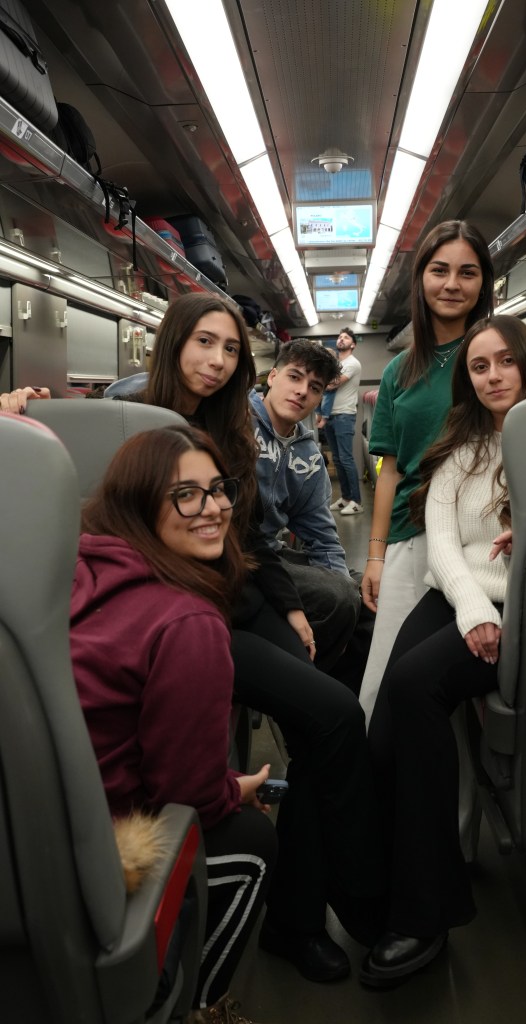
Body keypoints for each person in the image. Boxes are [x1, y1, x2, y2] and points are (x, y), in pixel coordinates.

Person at [3, 295, 386, 982]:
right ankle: (343, 900)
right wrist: (19, 410)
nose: (217, 361)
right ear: (174, 341)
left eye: (232, 349)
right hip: (168, 610)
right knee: (331, 715)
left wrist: (289, 606)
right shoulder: (121, 410)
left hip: (230, 595)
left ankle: (306, 909)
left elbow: (249, 534)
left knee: (329, 705)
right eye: (204, 342)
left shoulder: (235, 428)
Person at [360, 316, 526, 988]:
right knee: (382, 728)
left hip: (523, 610)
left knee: (415, 686)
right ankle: (390, 875)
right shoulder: (461, 447)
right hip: (460, 599)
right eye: (479, 366)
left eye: (505, 361)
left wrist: (524, 542)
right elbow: (441, 539)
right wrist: (471, 607)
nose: (493, 376)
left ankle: (427, 910)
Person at [70, 424, 277, 1020]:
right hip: (96, 857)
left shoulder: (72, 567)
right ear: (138, 504)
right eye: (185, 495)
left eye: (218, 489)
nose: (212, 509)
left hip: (36, 831)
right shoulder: (186, 623)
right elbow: (187, 796)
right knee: (254, 841)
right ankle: (193, 1002)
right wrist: (232, 790)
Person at [358, 220, 495, 721]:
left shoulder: (493, 358)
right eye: (440, 271)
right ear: (421, 279)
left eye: (467, 272)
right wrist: (376, 556)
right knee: (382, 690)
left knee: (450, 689)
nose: (452, 284)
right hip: (412, 534)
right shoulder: (400, 370)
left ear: (483, 283)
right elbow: (389, 470)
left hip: (482, 543)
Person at [250, 339, 361, 669]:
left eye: (314, 388)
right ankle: (308, 680)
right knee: (339, 596)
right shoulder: (235, 419)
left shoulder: (308, 456)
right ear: (273, 376)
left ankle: (323, 678)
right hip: (239, 557)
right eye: (294, 377)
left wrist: (347, 591)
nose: (302, 392)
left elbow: (322, 536)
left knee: (359, 593)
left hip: (271, 553)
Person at [324, 328, 364, 516]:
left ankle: (357, 502)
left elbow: (333, 384)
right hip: (331, 415)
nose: (341, 339)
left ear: (353, 344)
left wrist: (318, 382)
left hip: (344, 415)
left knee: (346, 459)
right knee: (338, 460)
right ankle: (346, 498)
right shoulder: (336, 363)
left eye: (346, 337)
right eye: (339, 337)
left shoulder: (352, 363)